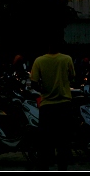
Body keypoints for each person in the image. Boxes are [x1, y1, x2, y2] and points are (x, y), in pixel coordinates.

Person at [30, 35, 76, 171]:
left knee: (45, 143)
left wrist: (44, 89)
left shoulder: (39, 61)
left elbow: (34, 83)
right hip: (64, 105)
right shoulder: (67, 59)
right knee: (63, 143)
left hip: (47, 106)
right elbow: (72, 77)